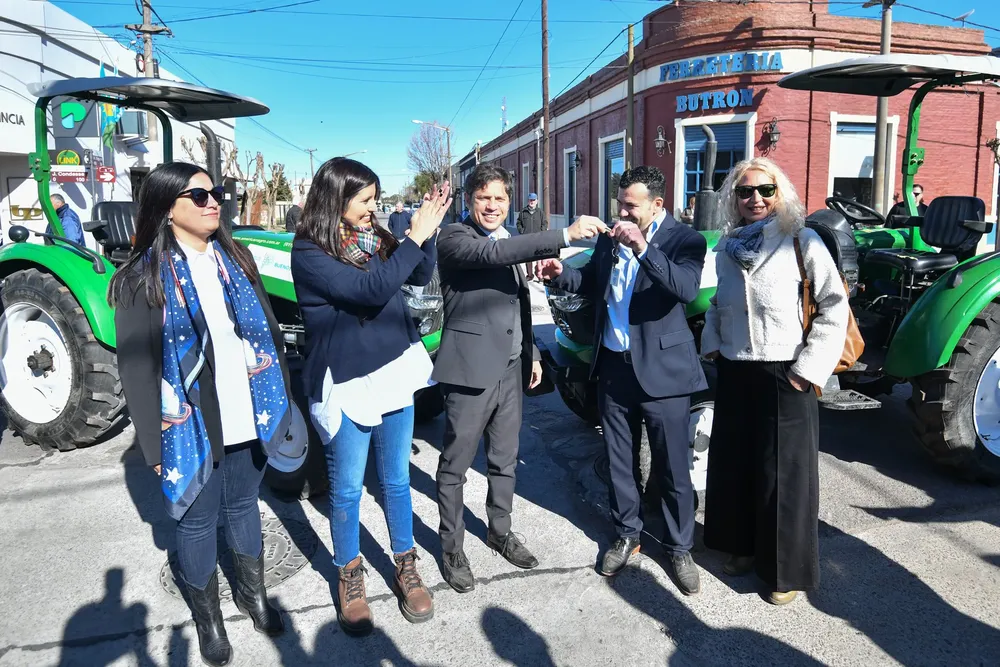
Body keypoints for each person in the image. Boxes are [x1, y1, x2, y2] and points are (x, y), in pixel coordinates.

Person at [109, 162, 293, 667]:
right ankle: (208, 619)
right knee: (195, 522)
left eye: (216, 193)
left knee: (244, 505)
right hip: (189, 424)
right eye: (199, 195)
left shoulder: (237, 257)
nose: (214, 202)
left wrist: (281, 396)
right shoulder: (141, 277)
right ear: (169, 208)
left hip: (248, 408)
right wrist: (152, 442)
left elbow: (269, 335)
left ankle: (253, 596)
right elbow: (137, 368)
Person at [291, 158, 448, 635]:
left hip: (392, 369)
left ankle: (405, 564)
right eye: (364, 200)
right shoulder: (310, 250)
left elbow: (417, 277)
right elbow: (367, 290)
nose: (372, 208)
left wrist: (428, 233)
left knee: (397, 480)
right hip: (347, 379)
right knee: (346, 489)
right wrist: (413, 238)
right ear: (336, 200)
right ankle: (349, 575)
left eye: (374, 199)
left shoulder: (374, 237)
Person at [534, 165, 708, 595]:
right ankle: (627, 533)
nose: (622, 213)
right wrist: (561, 275)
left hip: (664, 373)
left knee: (671, 466)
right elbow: (593, 284)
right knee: (619, 461)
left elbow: (684, 289)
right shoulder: (614, 240)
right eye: (620, 205)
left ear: (658, 205)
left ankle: (679, 546)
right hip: (614, 367)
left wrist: (644, 247)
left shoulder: (687, 240)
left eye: (631, 206)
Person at [432, 164, 606, 593]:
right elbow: (491, 257)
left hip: (511, 371)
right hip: (470, 371)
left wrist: (531, 356)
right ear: (468, 200)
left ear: (510, 202)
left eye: (500, 198)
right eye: (483, 198)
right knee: (455, 465)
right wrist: (566, 235)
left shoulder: (509, 239)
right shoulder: (455, 239)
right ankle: (451, 546)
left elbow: (519, 304)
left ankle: (499, 530)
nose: (492, 206)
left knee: (504, 459)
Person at [700, 157, 849, 606]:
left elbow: (833, 306)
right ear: (734, 199)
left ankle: (783, 571)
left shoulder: (801, 241)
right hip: (736, 368)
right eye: (745, 192)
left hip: (787, 372)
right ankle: (743, 547)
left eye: (765, 190)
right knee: (736, 465)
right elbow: (717, 305)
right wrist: (712, 340)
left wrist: (807, 370)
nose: (755, 199)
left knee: (783, 475)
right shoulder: (726, 249)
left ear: (779, 194)